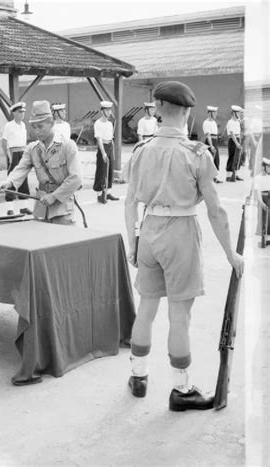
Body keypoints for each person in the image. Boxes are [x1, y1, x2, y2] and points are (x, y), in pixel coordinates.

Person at [123, 81, 244, 411]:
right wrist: (231, 253)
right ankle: (181, 389)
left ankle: (139, 375)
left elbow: (130, 202)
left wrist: (133, 243)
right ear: (188, 112)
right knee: (180, 318)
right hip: (181, 231)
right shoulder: (198, 154)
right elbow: (216, 211)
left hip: (148, 230)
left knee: (146, 308)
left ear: (158, 108)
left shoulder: (141, 151)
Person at [0, 100, 82, 225]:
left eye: (40, 127)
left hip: (62, 206)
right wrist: (8, 182)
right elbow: (21, 168)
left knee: (63, 241)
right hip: (41, 205)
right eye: (34, 127)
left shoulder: (68, 146)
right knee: (40, 241)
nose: (37, 131)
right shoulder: (32, 148)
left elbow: (76, 178)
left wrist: (54, 196)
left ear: (51, 123)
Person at [1, 102, 31, 215]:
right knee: (11, 179)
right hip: (13, 154)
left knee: (23, 178)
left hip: (23, 153)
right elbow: (4, 142)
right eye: (19, 112)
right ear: (14, 113)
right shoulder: (9, 125)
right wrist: (8, 157)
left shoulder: (23, 125)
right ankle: (10, 208)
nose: (22, 114)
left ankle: (24, 206)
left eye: (23, 112)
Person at [93, 101, 118, 204]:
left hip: (109, 146)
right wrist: (103, 153)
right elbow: (99, 139)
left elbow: (111, 137)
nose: (109, 112)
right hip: (102, 147)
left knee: (110, 170)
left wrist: (113, 150)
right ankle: (99, 194)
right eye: (107, 110)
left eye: (109, 110)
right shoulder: (98, 123)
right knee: (101, 171)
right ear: (102, 111)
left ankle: (108, 192)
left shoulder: (109, 123)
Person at [202, 105, 222, 183]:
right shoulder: (206, 122)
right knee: (210, 160)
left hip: (215, 142)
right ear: (210, 113)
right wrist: (211, 146)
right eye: (215, 113)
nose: (216, 114)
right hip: (210, 142)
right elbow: (208, 135)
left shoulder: (213, 122)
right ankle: (209, 179)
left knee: (216, 160)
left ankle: (214, 178)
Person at [225, 105, 244, 182]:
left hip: (237, 139)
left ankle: (235, 174)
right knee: (232, 157)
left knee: (237, 158)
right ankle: (229, 176)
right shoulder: (231, 122)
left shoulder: (237, 122)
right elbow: (232, 134)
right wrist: (237, 143)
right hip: (233, 141)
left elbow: (238, 133)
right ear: (234, 113)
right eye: (238, 113)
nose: (240, 114)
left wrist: (239, 141)